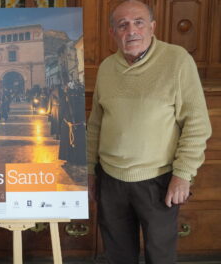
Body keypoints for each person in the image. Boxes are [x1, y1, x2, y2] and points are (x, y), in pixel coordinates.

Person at [87, 1, 212, 263]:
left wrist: (183, 175)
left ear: (152, 27)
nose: (131, 30)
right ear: (113, 33)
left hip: (158, 182)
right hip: (110, 181)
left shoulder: (177, 61)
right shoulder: (107, 68)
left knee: (160, 257)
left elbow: (197, 124)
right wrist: (88, 170)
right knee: (118, 256)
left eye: (138, 22)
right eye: (122, 25)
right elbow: (96, 124)